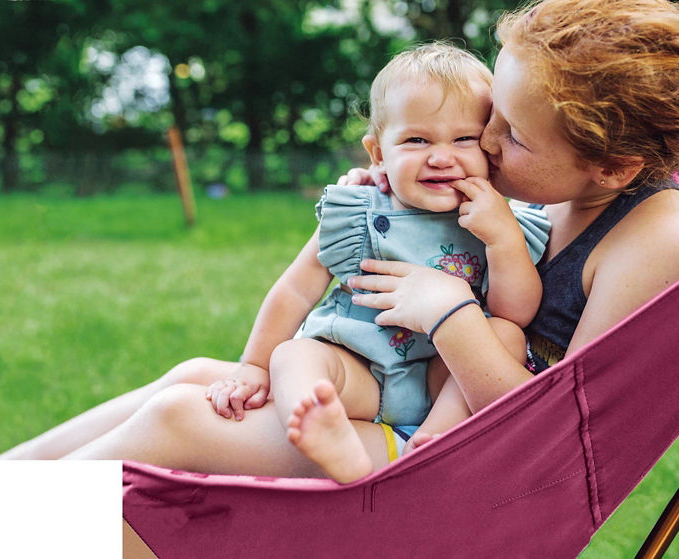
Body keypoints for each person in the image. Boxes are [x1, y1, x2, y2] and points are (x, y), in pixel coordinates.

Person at [0, 0, 679, 486]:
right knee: (198, 373)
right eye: (486, 118)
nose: (483, 147)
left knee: (179, 418)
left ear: (616, 165)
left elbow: (557, 441)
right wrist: (392, 188)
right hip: (399, 391)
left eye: (509, 133)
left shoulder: (658, 234)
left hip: (449, 459)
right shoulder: (553, 187)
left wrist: (449, 314)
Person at [196, 42, 549, 483]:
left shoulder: (500, 218)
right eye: (416, 140)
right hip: (355, 369)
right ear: (378, 152)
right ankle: (321, 429)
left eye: (464, 139)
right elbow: (296, 289)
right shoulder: (358, 212)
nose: (441, 156)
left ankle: (434, 440)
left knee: (505, 334)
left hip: (446, 377)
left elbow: (516, 311)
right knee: (294, 356)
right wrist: (253, 364)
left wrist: (503, 239)